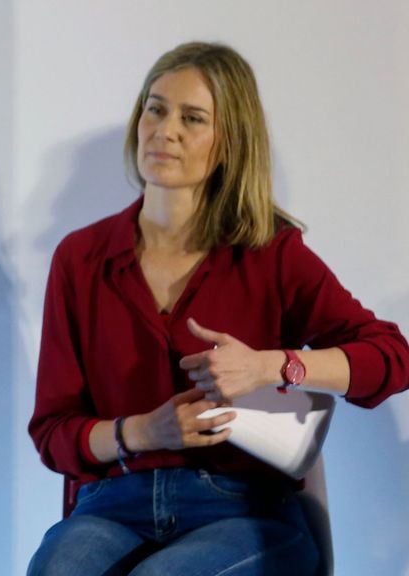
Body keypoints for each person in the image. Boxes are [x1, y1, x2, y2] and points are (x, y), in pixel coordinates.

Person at [27, 41, 408, 575]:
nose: (166, 130)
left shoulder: (271, 253)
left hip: (242, 508)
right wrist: (141, 433)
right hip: (113, 505)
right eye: (155, 109)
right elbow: (53, 431)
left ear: (228, 142)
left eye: (192, 118)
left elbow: (391, 358)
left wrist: (273, 365)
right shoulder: (81, 258)